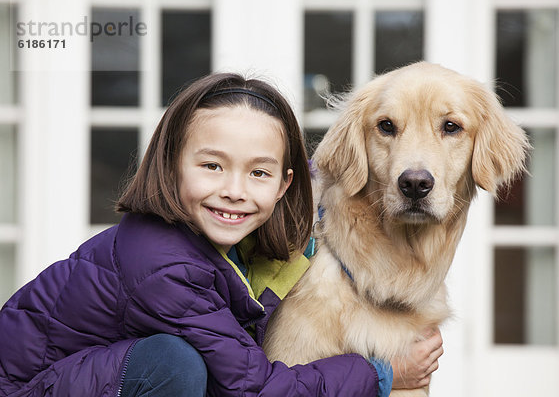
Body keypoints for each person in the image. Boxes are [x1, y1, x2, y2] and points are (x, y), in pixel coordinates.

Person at [0, 73, 443, 397]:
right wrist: (383, 375)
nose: (234, 191)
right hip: (24, 389)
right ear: (171, 165)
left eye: (258, 172)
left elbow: (318, 184)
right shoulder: (163, 266)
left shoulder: (225, 244)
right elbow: (255, 389)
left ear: (284, 184)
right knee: (173, 364)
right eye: (212, 166)